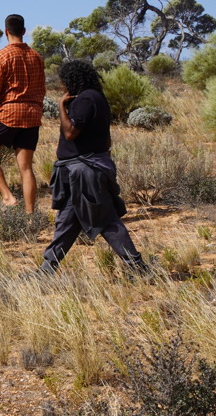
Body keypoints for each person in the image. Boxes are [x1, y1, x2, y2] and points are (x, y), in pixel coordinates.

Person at [40, 59, 146, 274]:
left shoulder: (85, 99)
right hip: (83, 171)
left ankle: (138, 267)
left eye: (63, 82)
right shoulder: (97, 98)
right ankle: (46, 270)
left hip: (83, 172)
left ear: (72, 80)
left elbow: (70, 132)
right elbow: (106, 140)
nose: (62, 87)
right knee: (67, 221)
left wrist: (61, 106)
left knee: (105, 220)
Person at [0, 14, 46, 213]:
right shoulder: (36, 56)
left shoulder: (1, 56)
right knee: (26, 167)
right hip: (32, 115)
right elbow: (42, 88)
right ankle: (30, 213)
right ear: (24, 31)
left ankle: (8, 197)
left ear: (5, 31)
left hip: (8, 113)